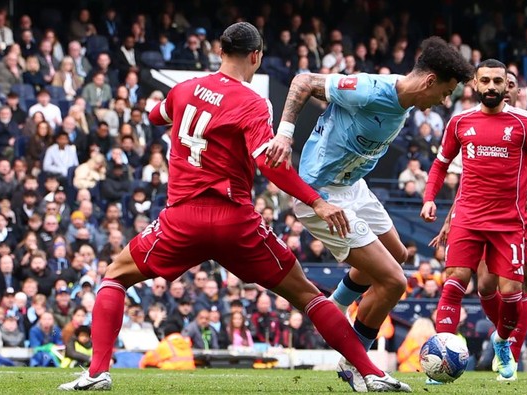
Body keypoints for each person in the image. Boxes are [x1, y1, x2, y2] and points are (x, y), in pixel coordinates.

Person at [58, 22, 409, 392]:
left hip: (181, 220)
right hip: (236, 223)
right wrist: (317, 202)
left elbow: (153, 116)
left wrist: (177, 116)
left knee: (115, 275)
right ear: (256, 56)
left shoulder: (183, 90)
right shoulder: (253, 102)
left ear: (219, 51)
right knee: (307, 295)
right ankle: (370, 373)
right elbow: (270, 164)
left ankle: (97, 372)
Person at [265, 35, 474, 391]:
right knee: (394, 281)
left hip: (353, 187)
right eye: (444, 92)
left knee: (398, 255)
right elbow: (303, 81)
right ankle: (356, 362)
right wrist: (285, 136)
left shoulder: (405, 100)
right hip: (321, 193)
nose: (443, 101)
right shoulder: (369, 89)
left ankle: (335, 305)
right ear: (429, 81)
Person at [421, 59, 527, 381]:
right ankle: (441, 358)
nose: (490, 87)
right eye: (484, 80)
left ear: (506, 86)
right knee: (456, 281)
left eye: (496, 81)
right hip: (468, 218)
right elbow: (441, 163)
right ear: (474, 83)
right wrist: (430, 197)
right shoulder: (459, 123)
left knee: (513, 292)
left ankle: (502, 342)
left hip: (510, 222)